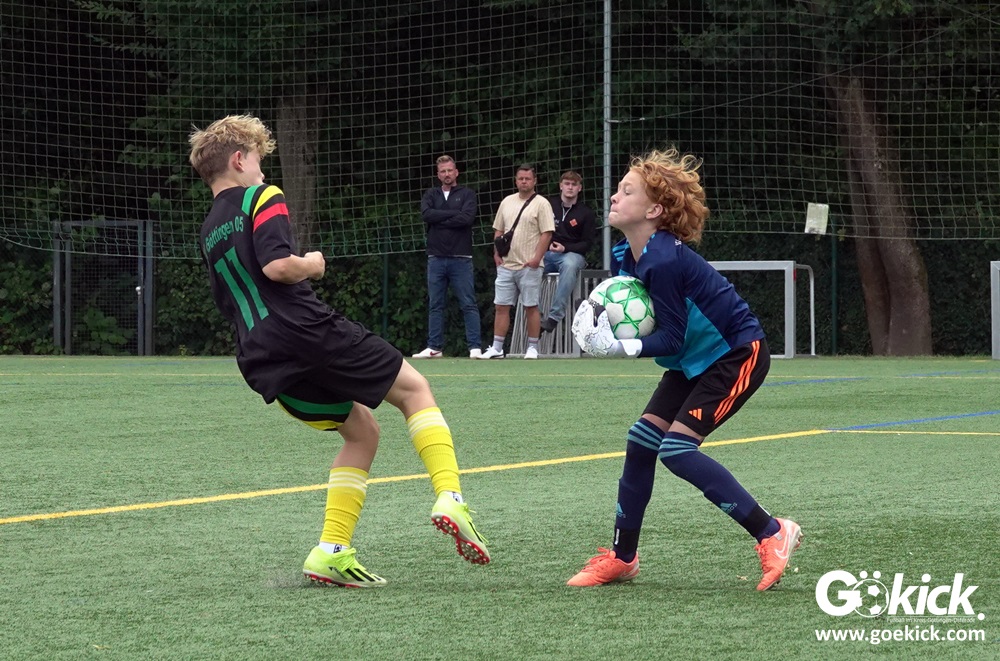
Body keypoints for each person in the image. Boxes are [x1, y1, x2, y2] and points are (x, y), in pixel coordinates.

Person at [189, 115, 489, 588]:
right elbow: (277, 266)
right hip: (304, 331)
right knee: (414, 389)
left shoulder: (208, 229)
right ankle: (451, 495)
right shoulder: (261, 196)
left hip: (261, 358)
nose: (263, 171)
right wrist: (312, 263)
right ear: (239, 160)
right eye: (259, 160)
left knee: (361, 431)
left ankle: (331, 550)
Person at [568, 148, 801, 590]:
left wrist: (618, 346)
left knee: (676, 450)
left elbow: (671, 337)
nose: (614, 196)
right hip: (692, 361)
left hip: (735, 354)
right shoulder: (630, 255)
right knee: (641, 443)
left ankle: (773, 531)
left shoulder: (665, 259)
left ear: (654, 210)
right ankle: (622, 557)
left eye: (627, 191)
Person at [479, 164, 554, 360]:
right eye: (521, 178)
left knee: (531, 306)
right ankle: (497, 347)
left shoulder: (542, 204)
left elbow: (547, 233)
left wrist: (537, 258)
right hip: (506, 264)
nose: (524, 182)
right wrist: (496, 253)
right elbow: (499, 229)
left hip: (529, 265)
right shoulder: (506, 202)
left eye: (527, 178)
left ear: (534, 181)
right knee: (501, 306)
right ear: (516, 181)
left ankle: (532, 347)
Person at [412, 155, 483, 360]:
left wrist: (439, 218)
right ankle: (434, 347)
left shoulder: (467, 194)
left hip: (461, 257)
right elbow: (427, 215)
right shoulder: (430, 194)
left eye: (450, 170)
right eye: (443, 171)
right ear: (438, 174)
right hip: (435, 257)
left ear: (456, 172)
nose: (447, 174)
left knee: (468, 303)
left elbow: (467, 218)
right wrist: (452, 214)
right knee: (435, 304)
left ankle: (475, 347)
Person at [540, 171, 597, 333]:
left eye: (574, 184)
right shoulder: (548, 205)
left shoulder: (586, 213)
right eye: (567, 184)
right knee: (529, 267)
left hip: (572, 255)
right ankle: (536, 315)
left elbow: (587, 244)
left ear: (579, 188)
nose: (570, 187)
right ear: (561, 186)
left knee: (570, 264)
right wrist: (545, 246)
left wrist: (565, 248)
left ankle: (554, 317)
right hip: (547, 253)